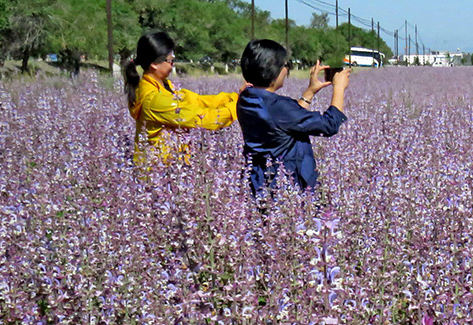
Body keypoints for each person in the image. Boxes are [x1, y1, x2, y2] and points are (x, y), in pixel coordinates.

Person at [236, 39, 349, 199]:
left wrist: (310, 91)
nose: (286, 71)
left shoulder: (246, 98)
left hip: (259, 183)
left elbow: (289, 120)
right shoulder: (278, 107)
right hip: (286, 190)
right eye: (285, 66)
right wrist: (339, 88)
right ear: (272, 70)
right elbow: (329, 125)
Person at [125, 31, 240, 165]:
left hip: (174, 167)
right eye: (170, 60)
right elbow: (204, 119)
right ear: (154, 64)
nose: (172, 63)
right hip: (159, 174)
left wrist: (236, 97)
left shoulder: (165, 86)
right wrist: (238, 106)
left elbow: (199, 101)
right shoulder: (155, 100)